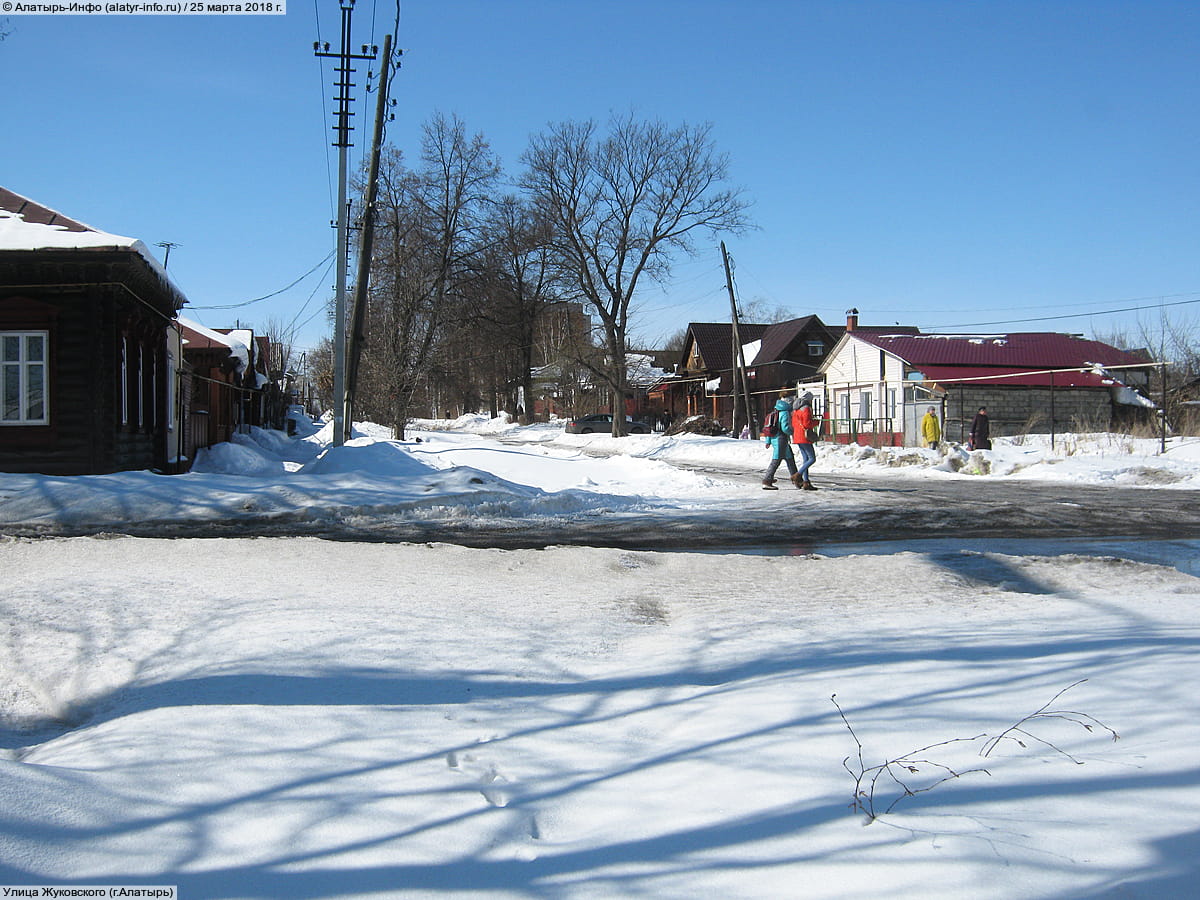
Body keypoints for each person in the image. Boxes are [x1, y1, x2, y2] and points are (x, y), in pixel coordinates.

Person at [762, 387, 799, 489]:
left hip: (774, 438)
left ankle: (797, 479)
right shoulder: (785, 413)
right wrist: (793, 431)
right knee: (776, 460)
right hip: (781, 439)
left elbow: (769, 426)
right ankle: (767, 480)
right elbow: (785, 428)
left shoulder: (775, 412)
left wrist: (768, 441)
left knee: (790, 458)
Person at [790, 391, 819, 491]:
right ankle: (798, 475)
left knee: (806, 459)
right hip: (805, 436)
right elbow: (807, 424)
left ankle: (806, 482)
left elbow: (794, 424)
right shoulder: (806, 408)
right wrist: (816, 422)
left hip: (797, 436)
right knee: (812, 458)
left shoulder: (795, 410)